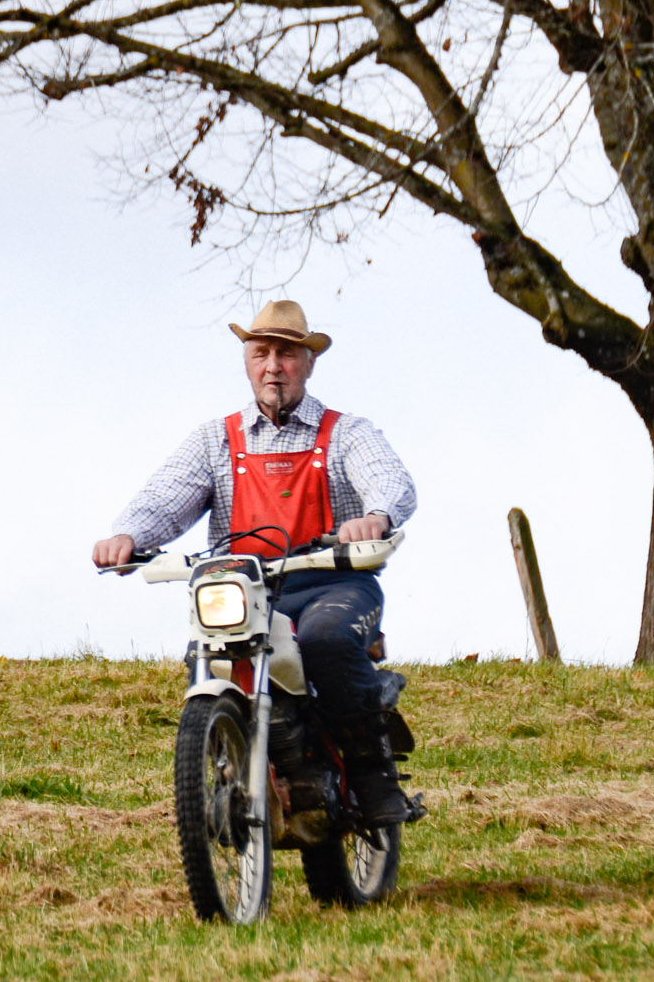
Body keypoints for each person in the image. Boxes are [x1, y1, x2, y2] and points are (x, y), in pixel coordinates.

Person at [91, 299, 418, 825]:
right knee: (211, 653)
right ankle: (228, 760)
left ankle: (371, 776)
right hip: (243, 588)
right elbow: (167, 496)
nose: (273, 366)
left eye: (286, 354)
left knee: (327, 643)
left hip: (332, 585)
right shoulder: (216, 440)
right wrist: (128, 536)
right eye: (260, 353)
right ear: (247, 361)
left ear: (308, 363)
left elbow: (390, 480)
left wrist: (375, 516)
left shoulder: (346, 433)